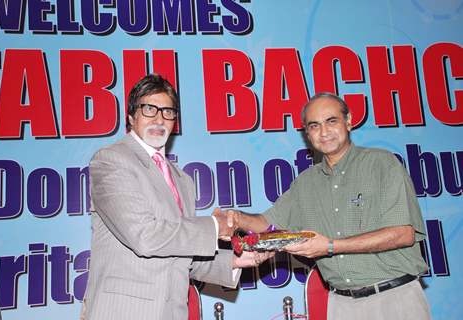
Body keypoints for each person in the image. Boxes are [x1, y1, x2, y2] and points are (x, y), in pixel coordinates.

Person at [218, 92, 431, 320]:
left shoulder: (382, 164)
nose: (324, 132)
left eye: (331, 121)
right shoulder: (305, 183)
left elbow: (403, 234)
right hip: (341, 305)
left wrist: (330, 246)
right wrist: (236, 218)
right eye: (314, 125)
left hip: (394, 299)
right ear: (307, 134)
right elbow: (266, 223)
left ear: (348, 121)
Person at [81, 74, 272, 320]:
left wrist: (235, 260)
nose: (160, 118)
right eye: (150, 109)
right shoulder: (111, 160)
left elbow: (181, 255)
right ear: (131, 117)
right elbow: (145, 236)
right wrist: (216, 226)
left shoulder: (182, 181)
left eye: (168, 112)